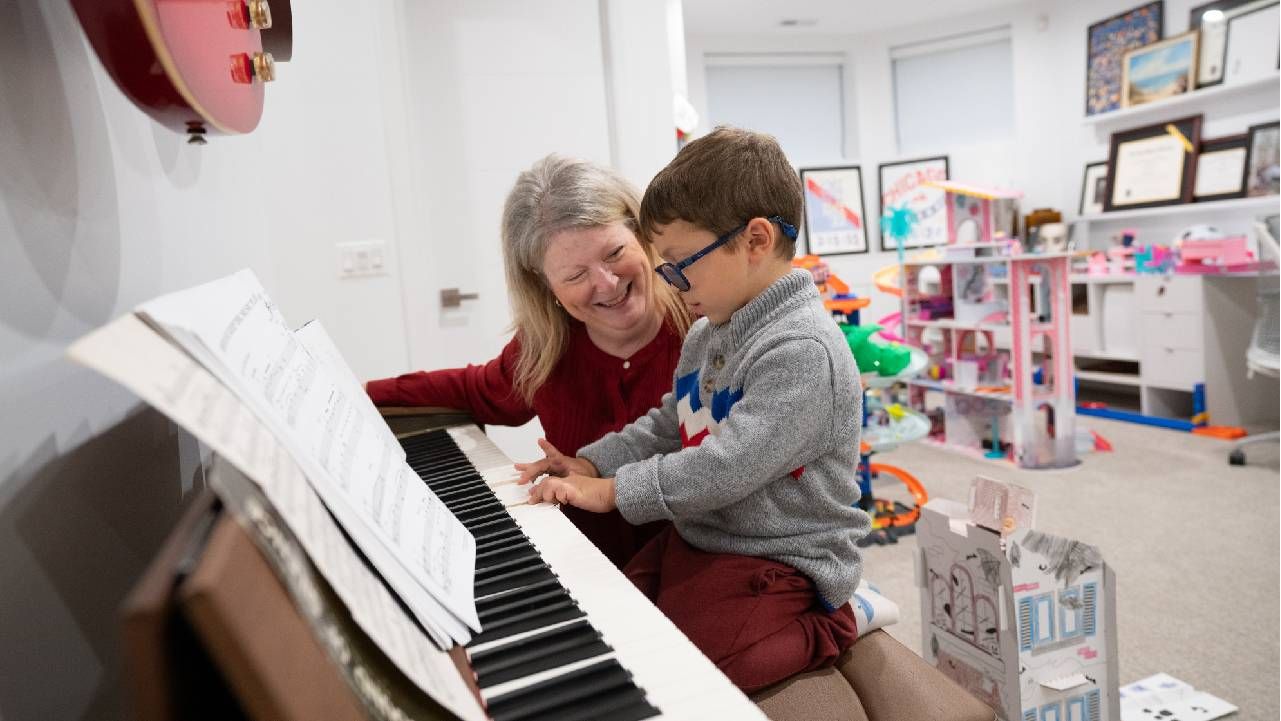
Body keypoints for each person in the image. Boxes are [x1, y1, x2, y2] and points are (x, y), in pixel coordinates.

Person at [521, 126, 871, 692]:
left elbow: (724, 467)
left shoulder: (803, 351)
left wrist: (612, 493)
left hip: (781, 557)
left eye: (682, 263)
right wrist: (589, 463)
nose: (671, 282)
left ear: (755, 240)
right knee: (617, 623)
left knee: (691, 674)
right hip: (705, 537)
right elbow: (669, 423)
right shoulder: (709, 332)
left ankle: (831, 623)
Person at [366, 155, 692, 569]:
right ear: (545, 284)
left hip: (700, 571)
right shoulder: (546, 348)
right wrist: (357, 391)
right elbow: (471, 389)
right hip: (593, 576)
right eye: (575, 276)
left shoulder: (707, 320)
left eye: (614, 253)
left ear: (641, 234)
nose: (606, 284)